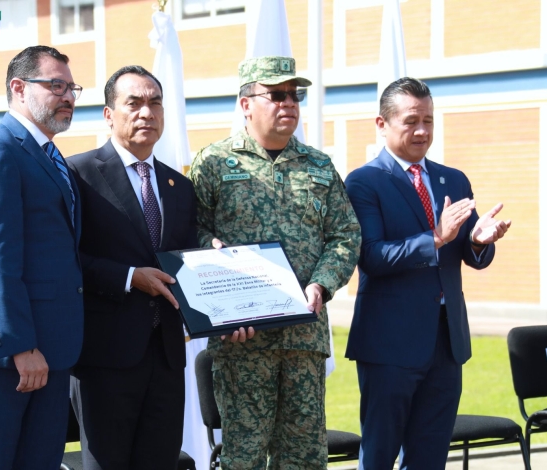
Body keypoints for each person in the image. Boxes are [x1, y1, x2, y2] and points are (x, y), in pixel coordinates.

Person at [188, 56, 361, 469]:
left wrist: (321, 283)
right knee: (244, 457)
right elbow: (187, 231)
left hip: (303, 336)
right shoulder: (212, 164)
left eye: (295, 95)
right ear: (246, 103)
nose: (289, 104)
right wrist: (209, 249)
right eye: (276, 95)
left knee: (303, 457)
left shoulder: (319, 166)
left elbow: (346, 234)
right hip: (242, 340)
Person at [345, 77, 511, 469]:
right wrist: (435, 238)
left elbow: (469, 255)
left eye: (430, 121)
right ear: (381, 124)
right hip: (389, 344)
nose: (422, 131)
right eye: (412, 121)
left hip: (445, 341)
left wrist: (478, 241)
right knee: (380, 455)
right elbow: (371, 257)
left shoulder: (452, 179)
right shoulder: (364, 182)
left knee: (430, 457)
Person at [0, 45, 84, 469]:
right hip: (3, 356)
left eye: (72, 87)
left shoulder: (52, 157)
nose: (69, 96)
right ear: (19, 88)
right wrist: (21, 346)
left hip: (51, 352)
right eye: (56, 85)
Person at [66, 65, 198, 470]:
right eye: (134, 103)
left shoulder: (180, 186)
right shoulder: (77, 174)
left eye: (155, 103)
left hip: (168, 358)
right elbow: (66, 260)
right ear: (109, 114)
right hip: (105, 358)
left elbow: (184, 262)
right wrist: (128, 278)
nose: (147, 113)